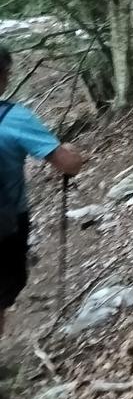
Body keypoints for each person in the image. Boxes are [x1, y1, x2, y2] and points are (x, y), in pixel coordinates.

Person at [0, 44, 85, 340]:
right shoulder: (13, 118)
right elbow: (68, 165)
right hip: (6, 226)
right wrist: (72, 153)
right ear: (4, 75)